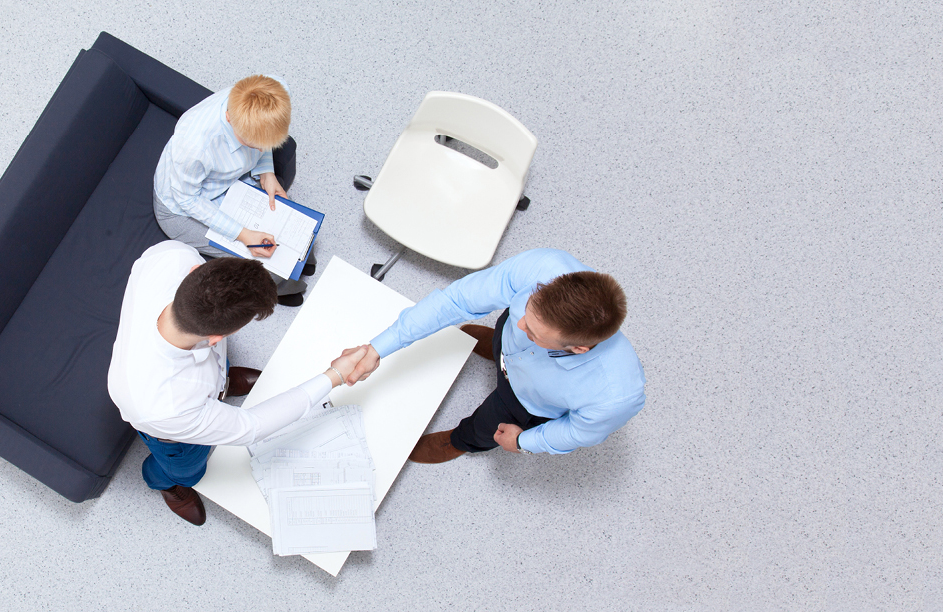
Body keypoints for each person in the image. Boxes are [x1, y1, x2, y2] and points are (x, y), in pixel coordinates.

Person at [108, 241, 365, 525]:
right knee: (187, 470)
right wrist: (335, 375)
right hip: (175, 436)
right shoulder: (165, 407)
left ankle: (224, 385)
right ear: (216, 338)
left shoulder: (174, 255)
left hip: (199, 386)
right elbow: (252, 427)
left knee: (220, 373)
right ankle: (164, 483)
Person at [340, 248, 645, 462]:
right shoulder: (544, 267)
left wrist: (523, 441)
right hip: (508, 348)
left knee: (486, 426)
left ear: (578, 348)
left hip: (524, 402)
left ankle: (460, 442)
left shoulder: (615, 397)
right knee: (503, 332)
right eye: (526, 311)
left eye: (533, 333)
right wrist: (377, 348)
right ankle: (496, 348)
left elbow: (575, 432)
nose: (520, 324)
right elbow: (456, 301)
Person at [153, 74, 312, 307]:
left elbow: (262, 144)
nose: (262, 149)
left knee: (289, 222)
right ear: (229, 119)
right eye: (254, 145)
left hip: (229, 179)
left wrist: (267, 172)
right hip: (183, 207)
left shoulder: (272, 91)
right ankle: (278, 288)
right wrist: (243, 234)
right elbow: (187, 200)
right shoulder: (194, 147)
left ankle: (301, 261)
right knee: (265, 263)